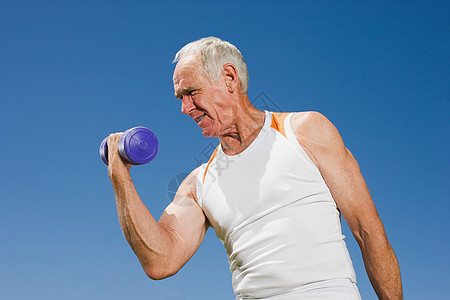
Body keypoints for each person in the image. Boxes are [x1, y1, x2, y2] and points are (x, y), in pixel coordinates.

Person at [106, 37, 402, 299]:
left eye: (191, 92)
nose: (185, 108)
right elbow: (160, 261)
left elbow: (368, 231)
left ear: (229, 78)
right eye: (180, 98)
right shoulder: (199, 184)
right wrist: (121, 176)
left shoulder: (305, 131)